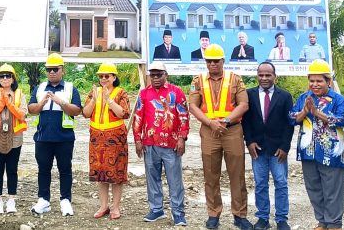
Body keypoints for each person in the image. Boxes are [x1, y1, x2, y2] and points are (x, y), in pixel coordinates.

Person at [188, 44, 253, 230]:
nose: (213, 64)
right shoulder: (198, 80)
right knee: (210, 174)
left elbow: (244, 104)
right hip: (209, 132)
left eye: (216, 60)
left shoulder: (236, 79)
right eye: (209, 61)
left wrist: (225, 120)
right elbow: (193, 106)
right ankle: (213, 213)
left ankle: (240, 215)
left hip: (232, 130)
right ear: (205, 62)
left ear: (223, 61)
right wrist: (210, 123)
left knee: (237, 174)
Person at [289, 59, 344, 230]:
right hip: (308, 150)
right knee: (314, 188)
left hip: (332, 152)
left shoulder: (338, 99)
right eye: (312, 80)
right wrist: (305, 111)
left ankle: (334, 224)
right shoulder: (303, 98)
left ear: (328, 81)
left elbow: (342, 119)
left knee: (333, 190)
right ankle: (322, 222)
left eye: (319, 81)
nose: (314, 84)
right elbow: (292, 118)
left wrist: (316, 113)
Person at [133, 61, 189, 226]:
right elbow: (138, 117)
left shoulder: (177, 92)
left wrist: (182, 138)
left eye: (159, 74)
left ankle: (178, 213)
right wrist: (137, 139)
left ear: (166, 75)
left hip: (171, 144)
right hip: (150, 143)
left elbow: (184, 116)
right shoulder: (144, 94)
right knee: (152, 178)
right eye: (153, 75)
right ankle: (157, 209)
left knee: (175, 180)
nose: (155, 78)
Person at [28, 53, 83, 216]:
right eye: (49, 69)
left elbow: (77, 110)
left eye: (55, 69)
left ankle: (65, 200)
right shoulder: (39, 88)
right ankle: (43, 200)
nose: (52, 72)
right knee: (43, 169)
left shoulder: (70, 88)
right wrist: (41, 104)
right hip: (43, 138)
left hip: (64, 139)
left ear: (62, 71)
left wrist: (62, 102)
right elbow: (31, 110)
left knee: (65, 169)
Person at [241, 62, 294, 230]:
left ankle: (281, 219)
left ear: (274, 76)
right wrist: (249, 142)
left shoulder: (285, 96)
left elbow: (289, 124)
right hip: (257, 148)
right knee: (260, 183)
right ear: (257, 75)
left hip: (278, 149)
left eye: (268, 75)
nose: (264, 78)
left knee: (281, 182)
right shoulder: (248, 95)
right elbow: (246, 121)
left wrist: (285, 147)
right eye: (261, 75)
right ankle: (263, 217)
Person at [82, 63, 130, 220]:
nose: (103, 79)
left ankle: (116, 207)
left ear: (114, 77)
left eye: (107, 76)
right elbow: (86, 113)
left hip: (115, 139)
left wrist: (109, 100)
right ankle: (104, 206)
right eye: (101, 76)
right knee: (100, 174)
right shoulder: (94, 92)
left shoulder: (121, 93)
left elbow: (123, 113)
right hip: (97, 140)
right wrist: (93, 100)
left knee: (116, 174)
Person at [0, 64, 28, 214]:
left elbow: (22, 114)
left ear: (13, 78)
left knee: (12, 169)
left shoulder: (20, 94)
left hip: (15, 138)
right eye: (2, 76)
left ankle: (11, 200)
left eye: (8, 75)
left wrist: (8, 104)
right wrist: (0, 105)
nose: (4, 78)